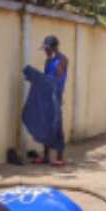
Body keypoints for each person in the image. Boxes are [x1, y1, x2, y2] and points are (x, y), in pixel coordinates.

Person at [37, 35, 69, 165]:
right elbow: (46, 77)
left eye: (48, 48)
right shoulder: (48, 61)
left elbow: (59, 78)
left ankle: (60, 157)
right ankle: (46, 156)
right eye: (45, 48)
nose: (46, 51)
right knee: (46, 126)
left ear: (55, 47)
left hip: (55, 96)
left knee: (57, 126)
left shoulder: (62, 60)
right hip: (47, 96)